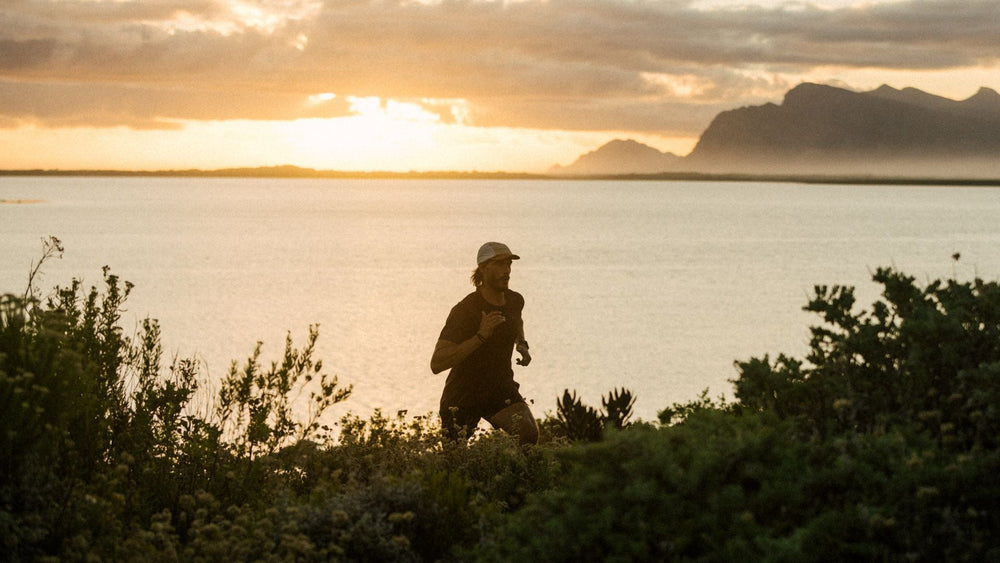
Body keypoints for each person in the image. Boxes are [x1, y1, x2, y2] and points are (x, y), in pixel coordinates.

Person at [430, 242, 539, 446]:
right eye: (499, 265)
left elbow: (516, 320)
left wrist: (521, 343)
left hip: (499, 388)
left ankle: (518, 478)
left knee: (528, 435)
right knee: (454, 461)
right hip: (463, 395)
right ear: (483, 268)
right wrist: (481, 335)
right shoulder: (466, 310)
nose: (506, 271)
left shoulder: (515, 300)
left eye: (508, 264)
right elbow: (437, 363)